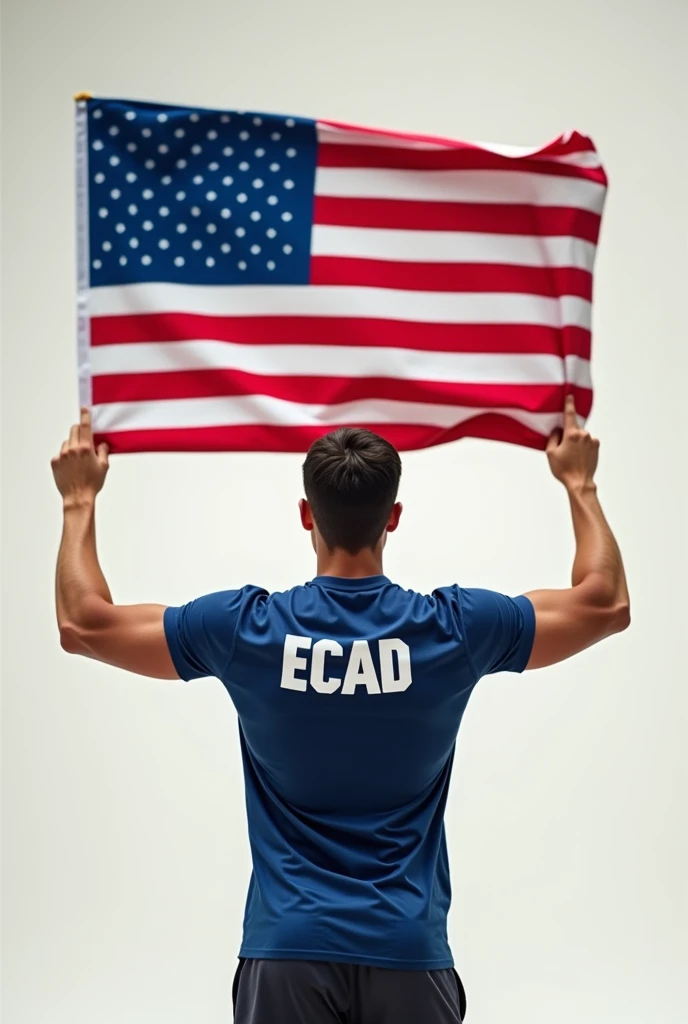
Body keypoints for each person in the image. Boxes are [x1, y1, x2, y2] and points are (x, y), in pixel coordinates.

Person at [51, 397, 629, 1024]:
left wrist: (79, 500)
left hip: (287, 956)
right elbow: (604, 605)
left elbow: (84, 624)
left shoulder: (248, 630)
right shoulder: (454, 630)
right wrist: (580, 482)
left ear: (306, 515)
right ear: (395, 516)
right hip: (407, 951)